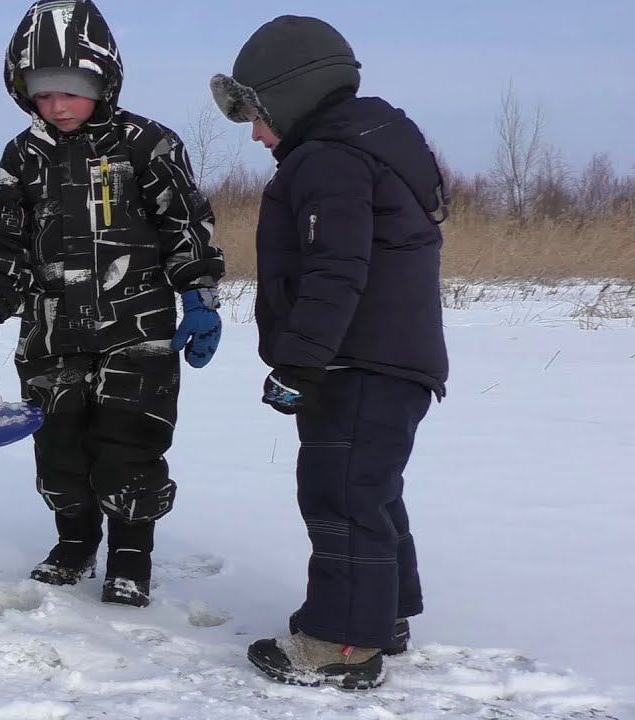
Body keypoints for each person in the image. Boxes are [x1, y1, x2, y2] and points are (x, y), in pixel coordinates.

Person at [0, 0, 226, 608]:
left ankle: (131, 557)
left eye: (74, 89)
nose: (58, 105)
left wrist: (199, 298)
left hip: (139, 331)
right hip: (51, 336)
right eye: (43, 93)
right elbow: (2, 247)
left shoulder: (147, 144)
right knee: (59, 452)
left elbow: (184, 227)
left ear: (105, 80)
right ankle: (74, 542)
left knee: (131, 446)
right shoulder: (21, 156)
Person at [211, 15, 450, 689]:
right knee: (370, 491)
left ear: (292, 95)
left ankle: (342, 641)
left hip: (357, 362)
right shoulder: (366, 146)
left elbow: (336, 269)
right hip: (385, 361)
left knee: (339, 494)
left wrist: (298, 364)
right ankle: (382, 614)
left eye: (257, 116)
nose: (256, 135)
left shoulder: (331, 160)